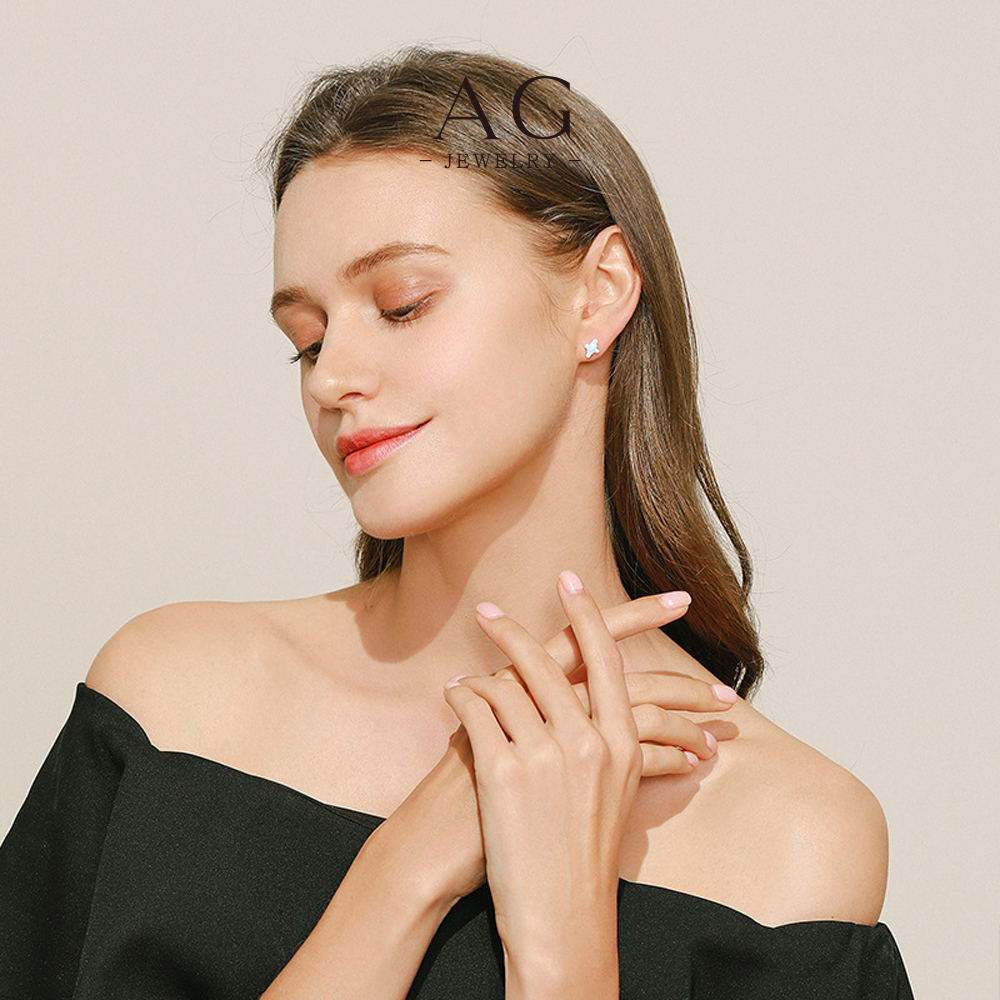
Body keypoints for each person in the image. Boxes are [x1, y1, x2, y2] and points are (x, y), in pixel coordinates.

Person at [0, 44, 913, 999]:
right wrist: (406, 868)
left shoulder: (795, 840)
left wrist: (564, 949)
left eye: (402, 305)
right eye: (306, 340)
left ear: (600, 290)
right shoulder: (176, 704)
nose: (332, 377)